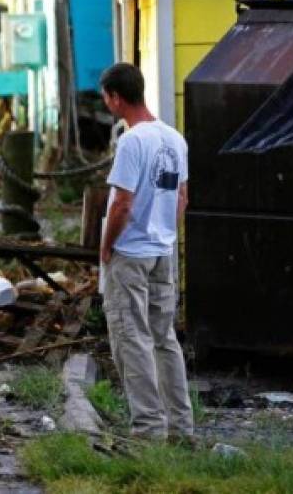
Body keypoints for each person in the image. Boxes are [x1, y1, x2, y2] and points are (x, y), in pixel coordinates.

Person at [99, 62, 194, 441]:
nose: (107, 105)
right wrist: (166, 232)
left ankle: (149, 429)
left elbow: (122, 202)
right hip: (163, 251)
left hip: (132, 252)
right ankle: (180, 428)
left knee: (132, 337)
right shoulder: (174, 138)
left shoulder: (132, 141)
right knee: (163, 338)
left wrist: (107, 247)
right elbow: (182, 196)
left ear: (117, 97)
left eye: (106, 98)